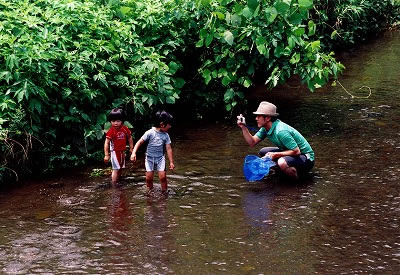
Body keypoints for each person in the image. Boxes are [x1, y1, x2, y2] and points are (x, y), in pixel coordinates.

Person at [237, 101, 314, 180]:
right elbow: (252, 142)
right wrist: (243, 127)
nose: (256, 118)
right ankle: (283, 171)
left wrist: (275, 154)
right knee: (263, 152)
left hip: (306, 158)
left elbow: (297, 151)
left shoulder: (281, 131)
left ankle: (296, 183)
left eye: (259, 116)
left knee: (281, 162)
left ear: (267, 118)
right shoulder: (265, 128)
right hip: (290, 151)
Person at [130, 110, 175, 195]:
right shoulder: (150, 133)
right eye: (168, 124)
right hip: (149, 158)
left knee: (163, 177)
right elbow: (139, 142)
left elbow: (168, 148)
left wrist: (171, 162)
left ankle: (164, 193)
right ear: (162, 124)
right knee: (149, 178)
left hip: (160, 158)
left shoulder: (166, 135)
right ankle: (149, 192)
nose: (170, 126)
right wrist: (133, 153)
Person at [104, 108, 134, 185]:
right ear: (110, 121)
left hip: (122, 151)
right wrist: (106, 155)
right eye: (113, 121)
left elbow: (130, 137)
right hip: (114, 152)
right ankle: (114, 184)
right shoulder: (111, 131)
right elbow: (106, 143)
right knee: (115, 169)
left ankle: (119, 180)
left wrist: (131, 148)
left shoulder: (125, 129)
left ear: (122, 121)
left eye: (118, 121)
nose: (115, 123)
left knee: (120, 167)